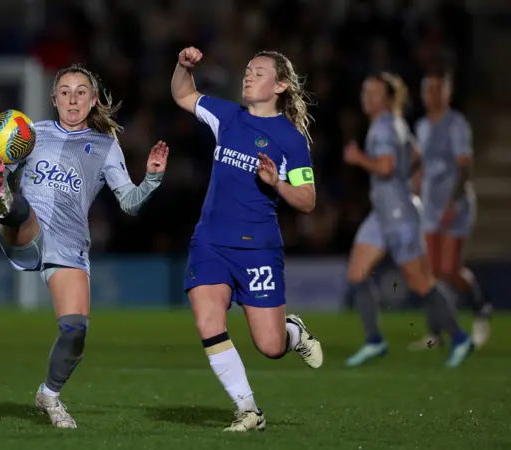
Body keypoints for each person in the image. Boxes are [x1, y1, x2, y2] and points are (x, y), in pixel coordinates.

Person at [0, 63, 169, 429]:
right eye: (65, 91)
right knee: (18, 209)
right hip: (26, 233)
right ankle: (2, 200)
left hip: (69, 247)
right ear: (53, 99)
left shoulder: (106, 146)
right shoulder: (32, 134)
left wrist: (151, 178)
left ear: (93, 99)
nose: (73, 98)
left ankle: (48, 395)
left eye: (81, 91)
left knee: (76, 331)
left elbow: (129, 203)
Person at [171, 46, 323, 433]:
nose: (248, 76)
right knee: (208, 319)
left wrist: (278, 183)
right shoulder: (228, 116)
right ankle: (248, 410)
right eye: (247, 71)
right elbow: (183, 95)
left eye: (258, 72)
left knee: (270, 346)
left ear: (281, 85)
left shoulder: (290, 140)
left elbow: (307, 200)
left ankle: (293, 332)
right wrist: (182, 67)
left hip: (258, 247)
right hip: (210, 241)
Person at [342, 72, 473, 368]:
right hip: (383, 213)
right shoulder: (392, 125)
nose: (367, 97)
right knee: (356, 273)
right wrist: (411, 185)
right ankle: (374, 340)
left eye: (374, 92)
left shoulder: (384, 128)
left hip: (399, 216)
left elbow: (386, 167)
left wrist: (357, 158)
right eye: (365, 91)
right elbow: (415, 154)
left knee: (421, 283)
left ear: (388, 99)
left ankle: (459, 336)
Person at [408, 70, 491, 350]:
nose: (431, 95)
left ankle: (481, 309)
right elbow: (421, 163)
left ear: (447, 93)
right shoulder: (422, 126)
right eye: (427, 90)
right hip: (430, 207)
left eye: (436, 89)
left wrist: (452, 203)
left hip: (455, 205)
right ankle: (435, 332)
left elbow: (464, 166)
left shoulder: (456, 125)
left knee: (450, 269)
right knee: (431, 273)